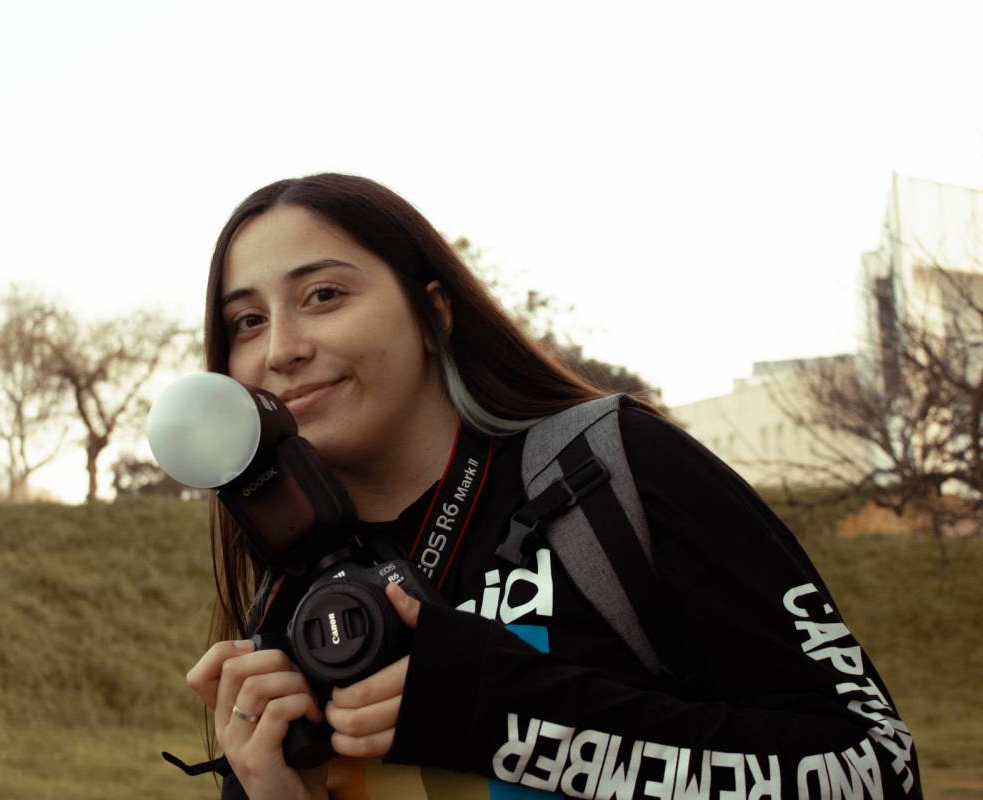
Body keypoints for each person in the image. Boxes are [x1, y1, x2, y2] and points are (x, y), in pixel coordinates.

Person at [184, 173, 921, 799]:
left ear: (433, 316)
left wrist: (509, 714)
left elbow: (875, 769)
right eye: (247, 321)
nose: (281, 349)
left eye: (322, 295)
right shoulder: (289, 602)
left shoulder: (612, 469)